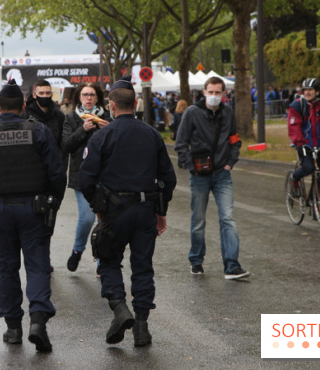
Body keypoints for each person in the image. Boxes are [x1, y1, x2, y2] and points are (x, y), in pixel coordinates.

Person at [0, 79, 66, 353]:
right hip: (35, 209)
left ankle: (13, 329)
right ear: (24, 105)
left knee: (8, 267)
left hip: (1, 210)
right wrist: (52, 202)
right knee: (37, 265)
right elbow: (57, 173)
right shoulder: (39, 131)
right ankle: (38, 320)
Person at [79, 76, 176, 347]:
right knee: (142, 267)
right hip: (145, 209)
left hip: (113, 211)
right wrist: (161, 210)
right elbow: (168, 178)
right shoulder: (151, 134)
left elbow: (85, 178)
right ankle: (142, 326)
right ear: (135, 104)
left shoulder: (102, 135)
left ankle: (120, 308)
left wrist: (98, 208)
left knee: (108, 260)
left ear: (111, 105)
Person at [175, 76, 250, 280]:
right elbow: (180, 143)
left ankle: (232, 266)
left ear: (224, 94)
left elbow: (235, 139)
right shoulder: (192, 113)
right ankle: (196, 261)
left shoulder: (228, 113)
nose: (214, 96)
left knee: (228, 219)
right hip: (199, 175)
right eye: (211, 92)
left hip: (222, 174)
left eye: (218, 92)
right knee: (198, 220)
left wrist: (230, 163)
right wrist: (191, 166)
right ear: (204, 92)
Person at [60, 82, 110, 273]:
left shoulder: (106, 118)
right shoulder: (72, 118)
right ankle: (77, 250)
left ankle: (101, 260)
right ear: (79, 98)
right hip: (81, 177)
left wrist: (109, 129)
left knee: (104, 220)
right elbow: (66, 145)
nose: (88, 98)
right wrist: (83, 129)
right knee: (87, 218)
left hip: (105, 176)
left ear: (98, 98)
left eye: (92, 95)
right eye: (85, 95)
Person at [287, 78, 320, 195]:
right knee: (308, 167)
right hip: (304, 144)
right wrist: (299, 143)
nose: (307, 92)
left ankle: (315, 204)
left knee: (319, 174)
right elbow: (294, 126)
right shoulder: (297, 105)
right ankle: (294, 179)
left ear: (317, 91)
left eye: (310, 89)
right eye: (305, 90)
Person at [22, 80, 65, 152]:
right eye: (41, 93)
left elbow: (63, 141)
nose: (45, 96)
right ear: (34, 95)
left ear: (51, 94)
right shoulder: (26, 115)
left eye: (47, 93)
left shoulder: (59, 115)